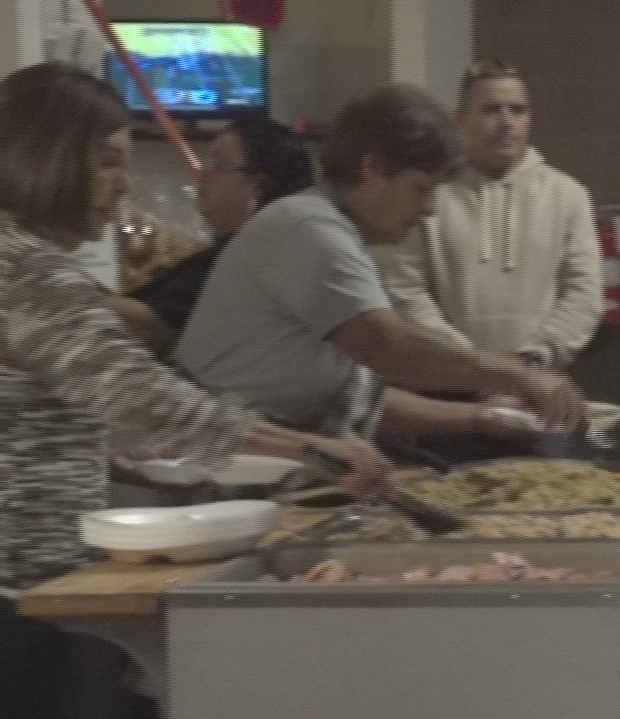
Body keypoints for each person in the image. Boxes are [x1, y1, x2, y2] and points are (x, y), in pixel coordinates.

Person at [0, 61, 389, 719]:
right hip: (10, 584)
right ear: (51, 158)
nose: (119, 186)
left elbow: (53, 406)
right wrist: (314, 450)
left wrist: (114, 459)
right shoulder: (31, 268)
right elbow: (147, 398)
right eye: (107, 160)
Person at [176, 84, 585, 449]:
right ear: (373, 169)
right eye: (422, 189)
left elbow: (356, 396)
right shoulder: (311, 230)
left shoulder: (333, 230)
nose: (428, 210)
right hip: (211, 463)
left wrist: (481, 418)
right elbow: (393, 349)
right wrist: (518, 376)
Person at [372, 61, 604, 461]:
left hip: (538, 398)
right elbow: (405, 292)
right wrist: (475, 370)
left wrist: (530, 362)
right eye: (491, 109)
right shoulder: (430, 191)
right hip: (446, 400)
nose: (506, 122)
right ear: (461, 119)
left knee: (544, 513)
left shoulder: (569, 196)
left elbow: (583, 295)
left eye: (518, 110)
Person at [109, 117, 314, 355]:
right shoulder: (227, 252)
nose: (202, 175)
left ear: (258, 185)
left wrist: (70, 289)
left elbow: (153, 328)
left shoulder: (241, 261)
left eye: (219, 165)